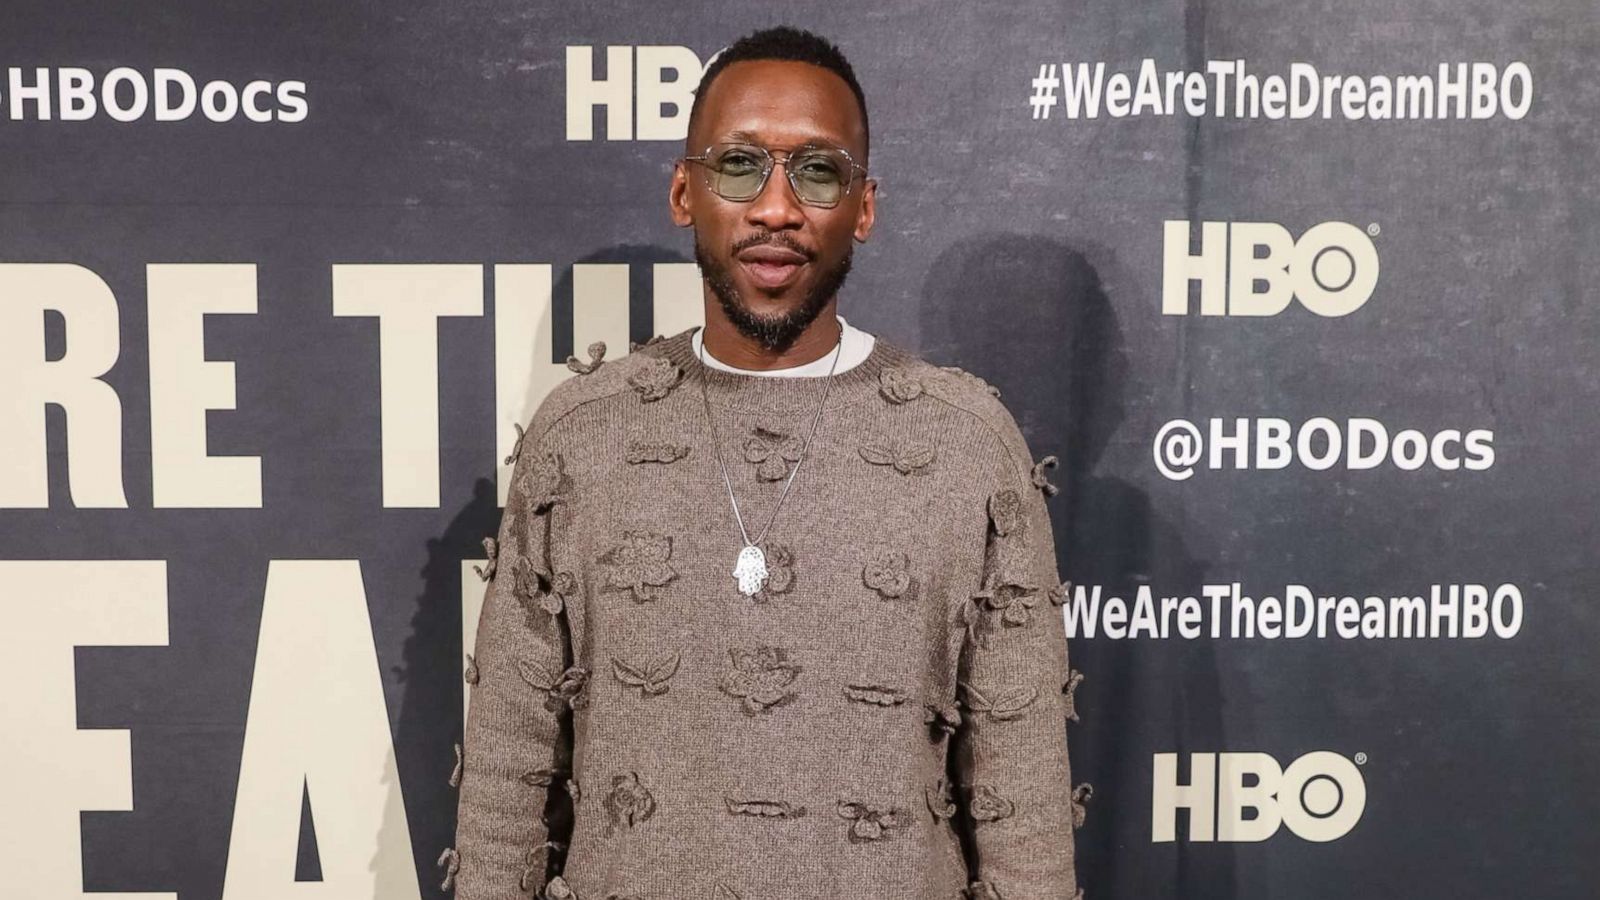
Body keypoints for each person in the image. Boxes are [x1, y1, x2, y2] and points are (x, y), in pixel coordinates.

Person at [444, 24, 1087, 900]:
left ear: (864, 205)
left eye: (817, 171)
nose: (776, 207)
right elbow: (507, 779)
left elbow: (1025, 807)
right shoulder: (579, 436)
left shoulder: (967, 443)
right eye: (739, 165)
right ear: (685, 191)